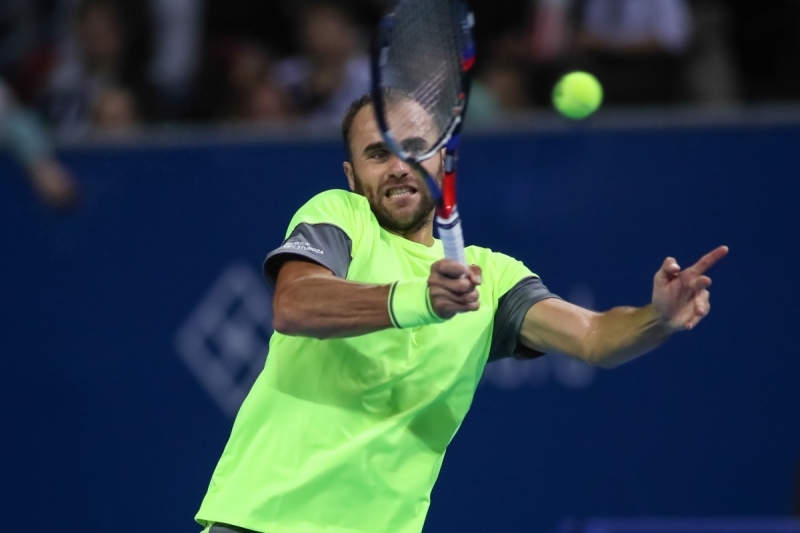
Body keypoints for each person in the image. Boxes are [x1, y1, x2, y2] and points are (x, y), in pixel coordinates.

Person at [195, 90, 727, 533]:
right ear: (352, 176)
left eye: (414, 149)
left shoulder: (492, 278)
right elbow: (294, 303)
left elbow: (593, 337)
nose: (398, 167)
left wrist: (656, 318)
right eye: (378, 155)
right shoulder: (341, 214)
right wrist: (419, 299)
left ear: (443, 160)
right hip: (261, 523)